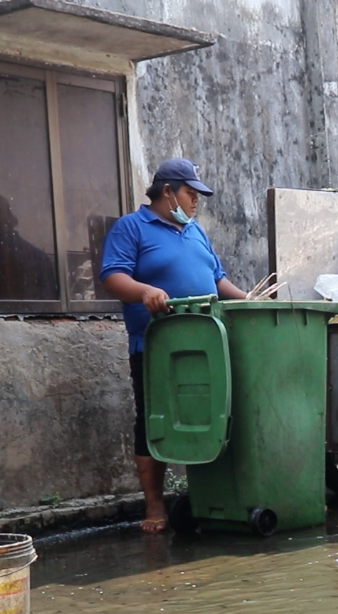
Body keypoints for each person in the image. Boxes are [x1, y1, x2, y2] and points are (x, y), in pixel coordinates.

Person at [99, 158, 248, 532]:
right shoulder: (131, 228)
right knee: (156, 421)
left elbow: (217, 280)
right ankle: (154, 509)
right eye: (190, 193)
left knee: (211, 416)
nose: (196, 202)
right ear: (167, 191)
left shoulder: (195, 231)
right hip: (158, 347)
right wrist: (145, 291)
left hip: (207, 344)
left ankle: (214, 497)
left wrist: (248, 300)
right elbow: (112, 276)